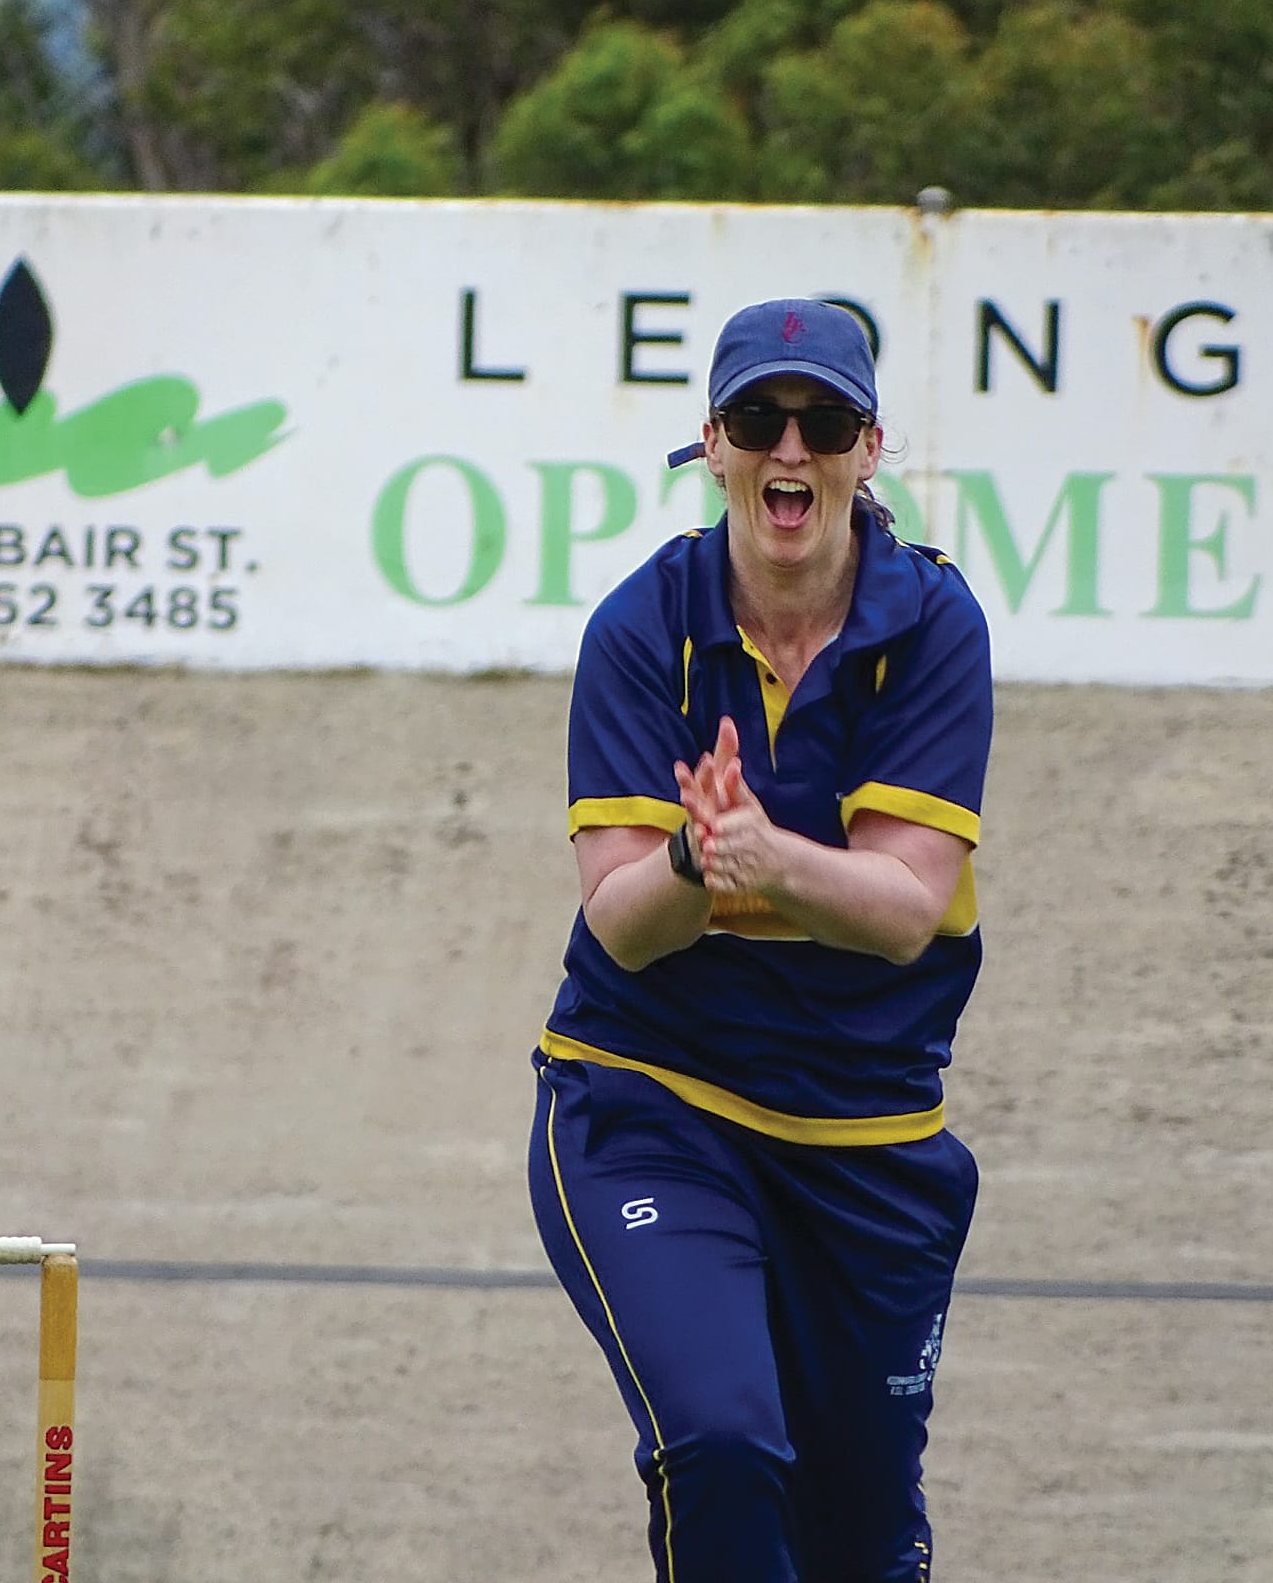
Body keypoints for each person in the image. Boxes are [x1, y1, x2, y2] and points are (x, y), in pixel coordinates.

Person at [529, 297, 993, 1583]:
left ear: (868, 449)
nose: (792, 450)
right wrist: (693, 855)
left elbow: (904, 913)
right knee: (725, 1444)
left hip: (870, 1144)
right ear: (715, 445)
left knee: (861, 1537)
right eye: (760, 420)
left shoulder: (935, 627)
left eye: (824, 421)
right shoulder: (644, 626)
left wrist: (765, 855)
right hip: (653, 1103)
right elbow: (620, 922)